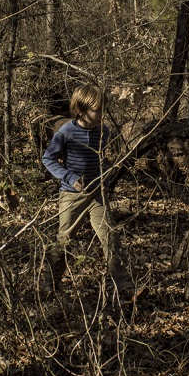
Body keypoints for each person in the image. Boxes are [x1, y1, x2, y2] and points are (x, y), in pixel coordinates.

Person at [41, 83, 135, 300]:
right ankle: (50, 285)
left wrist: (105, 178)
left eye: (104, 109)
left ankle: (126, 288)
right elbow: (49, 159)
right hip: (72, 195)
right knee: (64, 238)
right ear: (81, 110)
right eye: (97, 110)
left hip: (97, 194)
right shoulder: (66, 132)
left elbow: (100, 159)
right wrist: (70, 178)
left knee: (110, 237)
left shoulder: (104, 131)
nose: (102, 114)